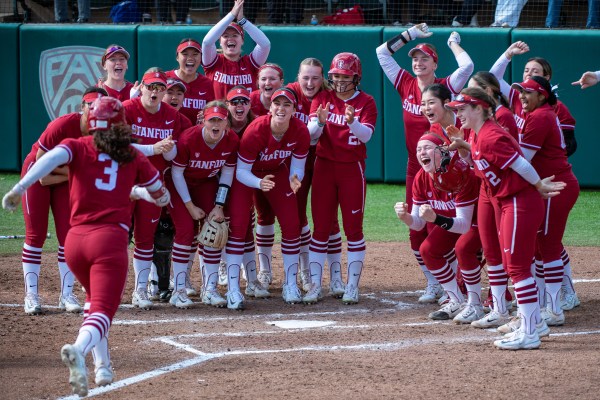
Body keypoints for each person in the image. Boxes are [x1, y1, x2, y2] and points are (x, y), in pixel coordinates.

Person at [2, 96, 170, 396]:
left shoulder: (78, 146)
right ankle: (79, 349)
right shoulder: (132, 154)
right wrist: (153, 197)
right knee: (103, 310)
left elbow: (48, 160)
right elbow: (159, 192)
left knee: (93, 302)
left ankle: (103, 366)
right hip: (108, 241)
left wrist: (19, 188)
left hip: (75, 242)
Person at [446, 87, 565, 350]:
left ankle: (530, 332)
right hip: (510, 200)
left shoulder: (490, 135)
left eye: (462, 109)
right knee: (516, 265)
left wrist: (538, 185)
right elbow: (486, 167)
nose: (458, 114)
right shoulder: (479, 135)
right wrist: (465, 150)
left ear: (479, 108)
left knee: (518, 268)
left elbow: (521, 164)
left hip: (518, 202)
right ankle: (532, 324)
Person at [376, 24, 473, 304]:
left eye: (425, 58)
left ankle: (459, 283)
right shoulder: (405, 83)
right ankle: (434, 282)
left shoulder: (445, 87)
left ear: (435, 64)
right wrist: (410, 35)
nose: (418, 62)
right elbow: (382, 53)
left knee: (447, 224)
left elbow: (467, 67)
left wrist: (454, 43)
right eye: (415, 58)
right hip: (416, 167)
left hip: (448, 168)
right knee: (415, 226)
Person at [489, 42, 580, 309]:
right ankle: (544, 303)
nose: (522, 94)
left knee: (548, 245)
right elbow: (495, 79)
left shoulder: (541, 116)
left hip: (554, 184)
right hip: (544, 184)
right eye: (521, 89)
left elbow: (522, 160)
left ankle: (558, 302)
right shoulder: (529, 108)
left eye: (528, 91)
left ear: (542, 92)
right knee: (541, 244)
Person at [17, 86, 108, 316]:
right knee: (35, 235)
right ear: (82, 107)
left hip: (62, 176)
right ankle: (31, 295)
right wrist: (75, 173)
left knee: (68, 236)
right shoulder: (62, 125)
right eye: (90, 105)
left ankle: (66, 294)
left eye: (100, 106)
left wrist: (74, 174)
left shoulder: (103, 132)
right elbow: (42, 174)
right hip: (36, 172)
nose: (95, 109)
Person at [225, 87, 310, 309]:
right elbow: (241, 171)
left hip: (277, 172)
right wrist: (258, 183)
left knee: (292, 224)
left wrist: (295, 178)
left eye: (287, 105)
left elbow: (297, 167)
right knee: (239, 226)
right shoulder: (256, 130)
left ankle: (290, 284)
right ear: (270, 107)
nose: (281, 109)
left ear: (294, 109)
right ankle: (234, 289)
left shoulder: (300, 130)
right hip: (248, 176)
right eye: (277, 104)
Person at [304, 52, 378, 305]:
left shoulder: (366, 101)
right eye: (336, 75)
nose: (339, 80)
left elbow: (366, 135)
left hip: (351, 169)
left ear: (356, 77)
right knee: (321, 229)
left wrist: (353, 122)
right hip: (324, 166)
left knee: (353, 229)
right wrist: (321, 123)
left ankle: (351, 286)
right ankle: (315, 286)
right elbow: (310, 135)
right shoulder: (323, 97)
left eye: (345, 76)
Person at [394, 132, 481, 323]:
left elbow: (465, 225)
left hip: (479, 221)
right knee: (428, 249)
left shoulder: (460, 172)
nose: (421, 152)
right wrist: (405, 217)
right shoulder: (421, 177)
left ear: (442, 152)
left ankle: (475, 305)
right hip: (452, 222)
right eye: (418, 149)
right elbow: (418, 223)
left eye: (427, 147)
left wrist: (435, 218)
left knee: (463, 248)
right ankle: (456, 300)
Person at [168, 101, 242, 308]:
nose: (216, 124)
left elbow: (227, 173)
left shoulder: (231, 140)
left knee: (215, 225)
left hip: (206, 182)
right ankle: (178, 290)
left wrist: (219, 205)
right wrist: (190, 206)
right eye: (212, 120)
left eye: (220, 120)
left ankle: (209, 289)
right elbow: (176, 173)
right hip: (179, 183)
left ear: (227, 123)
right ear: (204, 121)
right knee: (185, 230)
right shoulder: (189, 138)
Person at [122, 69, 184, 310]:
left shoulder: (171, 115)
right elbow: (119, 146)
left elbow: (172, 154)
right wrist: (153, 148)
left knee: (146, 238)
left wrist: (167, 149)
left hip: (152, 181)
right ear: (142, 88)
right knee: (116, 235)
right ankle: (103, 286)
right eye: (151, 87)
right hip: (125, 181)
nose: (155, 92)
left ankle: (140, 289)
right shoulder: (127, 108)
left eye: (160, 88)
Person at [202, 0, 271, 100]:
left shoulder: (250, 63)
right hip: (219, 113)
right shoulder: (213, 61)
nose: (230, 38)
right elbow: (207, 42)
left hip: (247, 114)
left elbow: (265, 45)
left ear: (242, 41)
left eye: (235, 35)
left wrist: (242, 21)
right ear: (220, 42)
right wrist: (232, 14)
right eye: (225, 36)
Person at [166, 38, 216, 125]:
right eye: (185, 54)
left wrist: (207, 116)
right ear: (177, 57)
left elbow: (212, 112)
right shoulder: (165, 78)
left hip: (195, 134)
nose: (190, 58)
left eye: (195, 54)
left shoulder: (207, 84)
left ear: (201, 57)